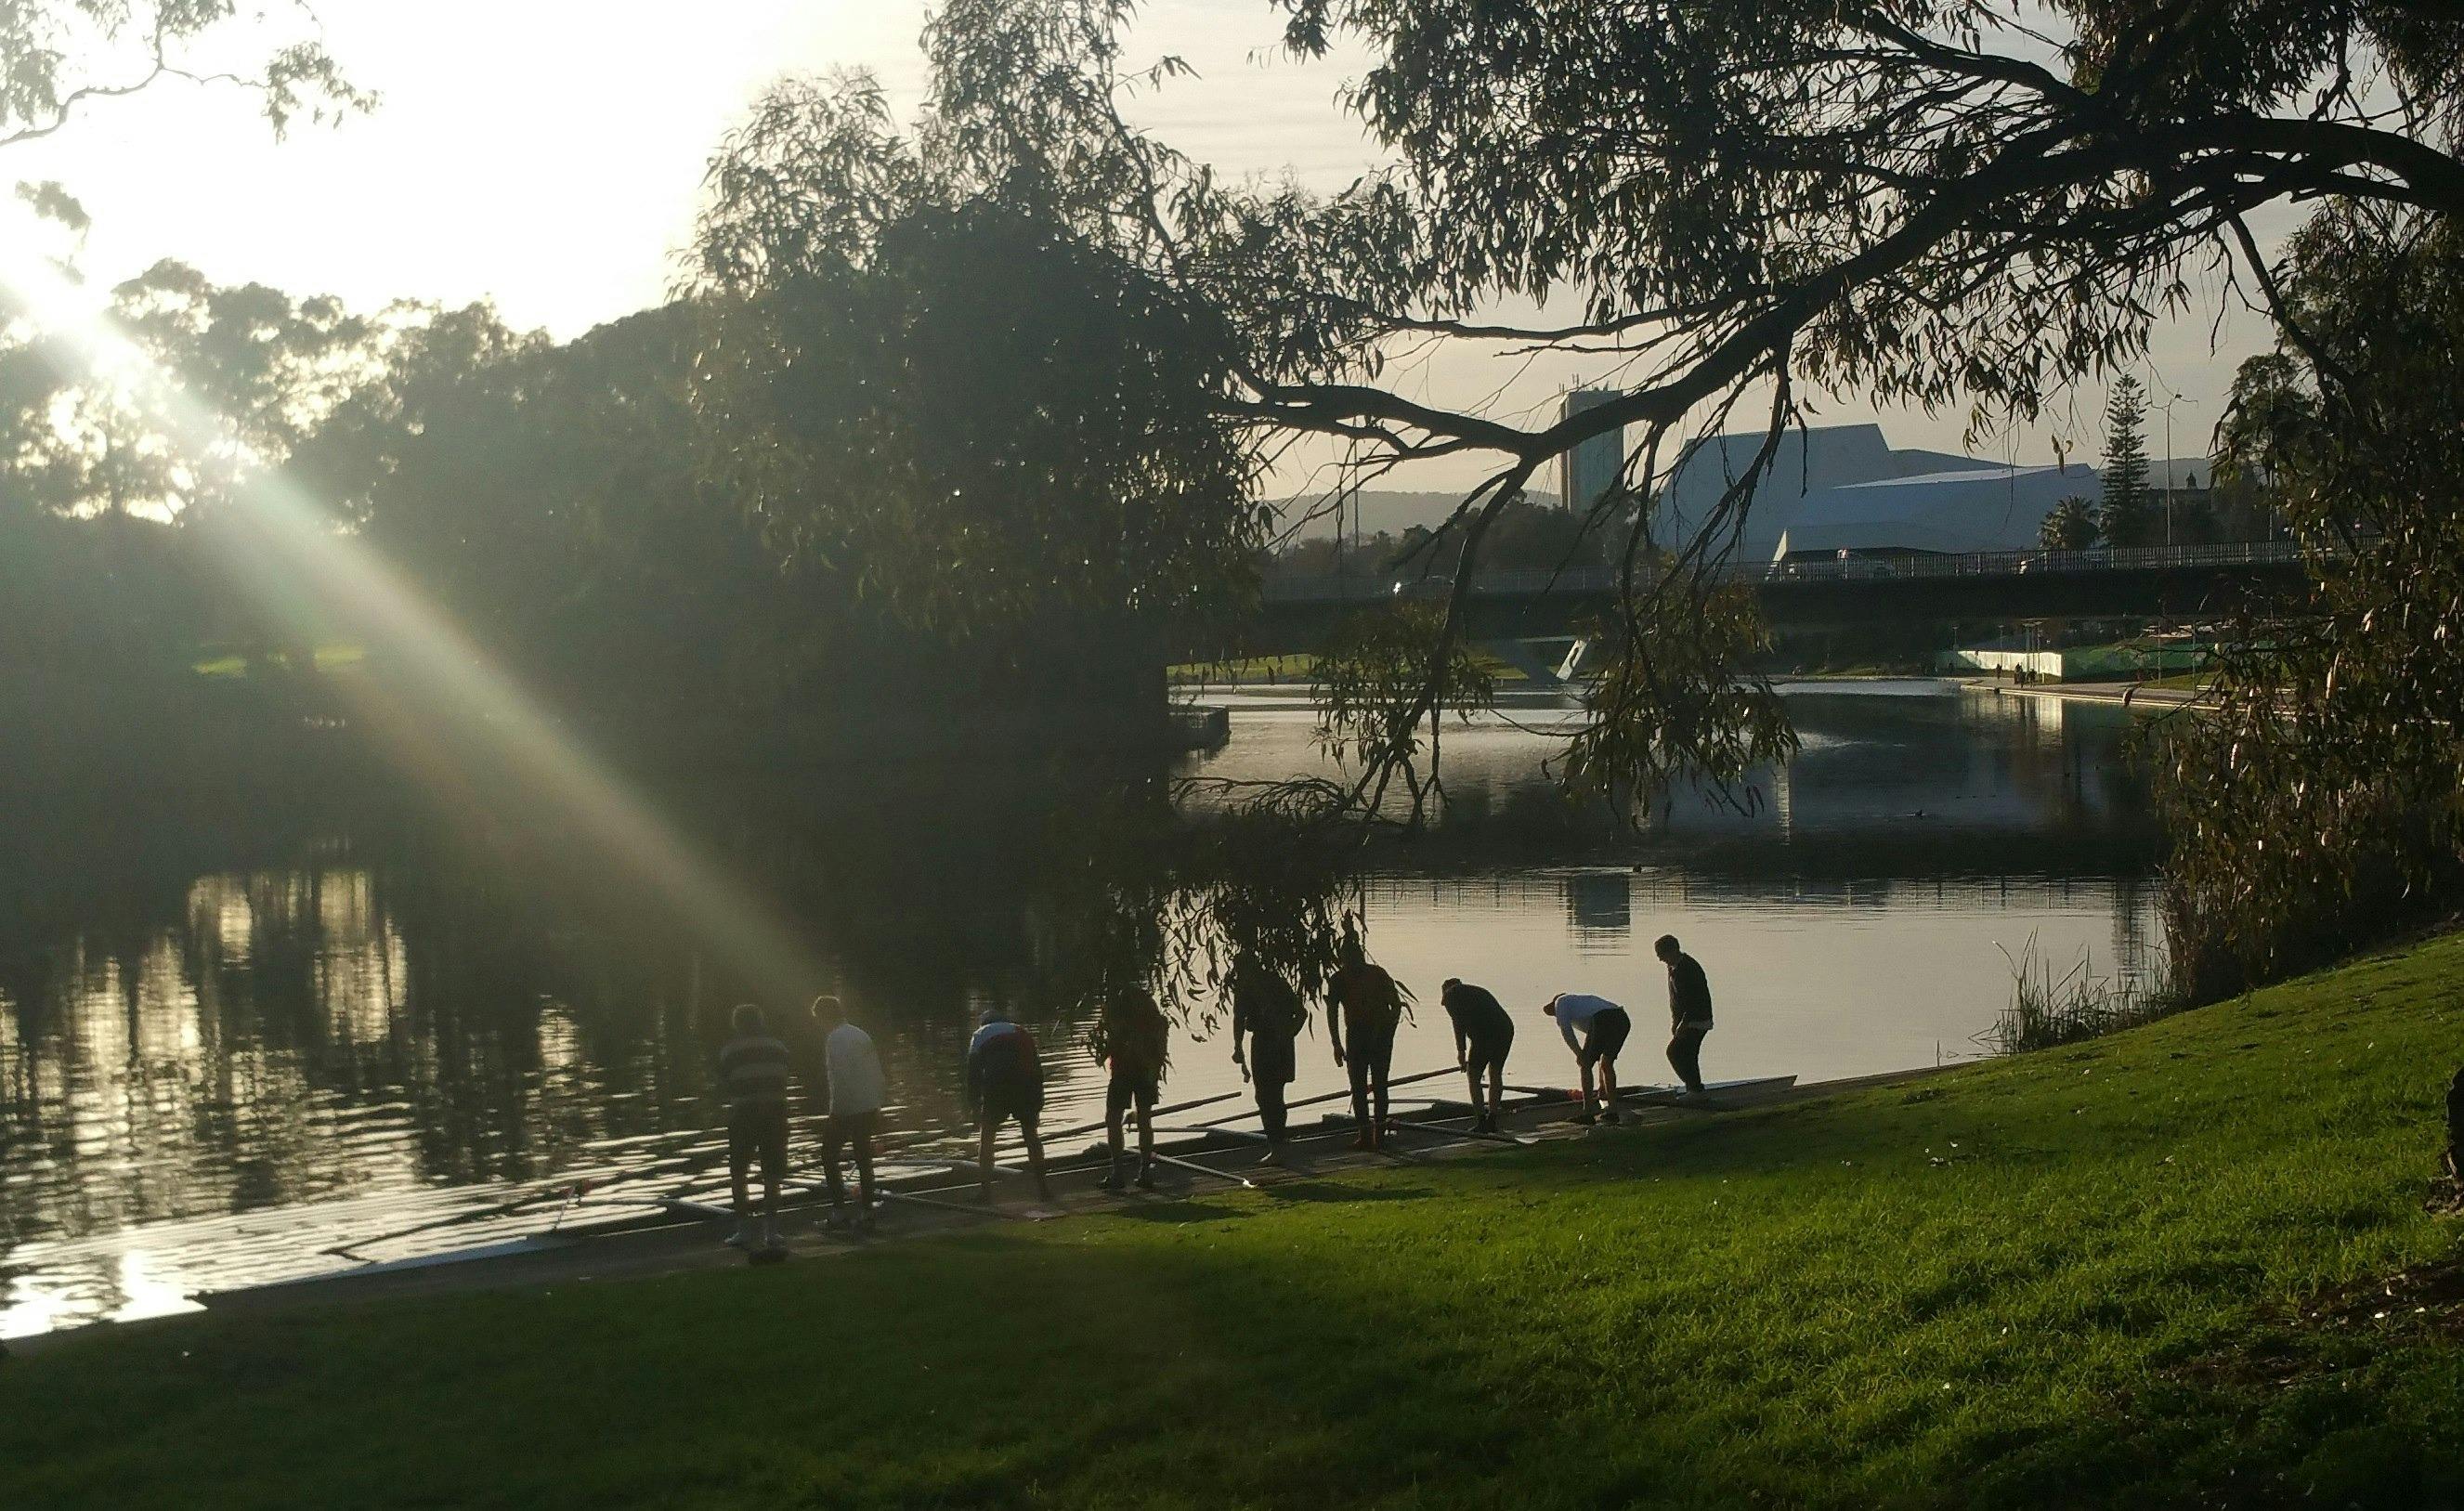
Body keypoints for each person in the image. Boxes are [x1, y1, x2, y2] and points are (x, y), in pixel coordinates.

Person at [717, 1002, 793, 1252]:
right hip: (775, 1113)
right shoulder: (779, 1048)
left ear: (738, 1024)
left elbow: (725, 1081)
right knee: (772, 1173)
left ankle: (743, 1229)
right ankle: (771, 1231)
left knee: (739, 1173)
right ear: (761, 1022)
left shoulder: (730, 1051)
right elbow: (784, 1076)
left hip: (744, 1115)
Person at [1327, 918, 1407, 1151]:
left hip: (1379, 1033)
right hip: (1357, 1034)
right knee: (1359, 1086)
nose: (1349, 963)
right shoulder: (1339, 980)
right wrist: (1336, 1043)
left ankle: (1378, 1133)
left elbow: (1395, 1004)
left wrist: (1388, 1028)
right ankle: (1365, 1134)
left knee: (1379, 1084)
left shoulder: (1377, 975)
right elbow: (1332, 1012)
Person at [965, 1006, 1054, 1202]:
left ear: (984, 1023)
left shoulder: (979, 1034)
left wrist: (974, 1108)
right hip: (1026, 1086)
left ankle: (986, 1193)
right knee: (1031, 1136)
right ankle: (1043, 1189)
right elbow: (1037, 1069)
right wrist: (1038, 1102)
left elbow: (973, 1074)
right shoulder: (1022, 1032)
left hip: (997, 1086)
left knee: (987, 1139)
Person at [812, 994, 886, 1229]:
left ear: (824, 1017)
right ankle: (866, 1210)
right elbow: (876, 1072)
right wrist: (877, 1104)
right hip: (868, 1105)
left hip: (848, 1108)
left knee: (828, 1155)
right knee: (864, 1159)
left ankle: (838, 1210)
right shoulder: (861, 1034)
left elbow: (839, 1079)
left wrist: (836, 1111)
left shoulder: (834, 1039)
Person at [1231, 957, 1305, 1162]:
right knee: (1276, 1095)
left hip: (1265, 1044)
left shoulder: (1247, 988)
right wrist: (1289, 1034)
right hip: (1282, 1044)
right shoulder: (1277, 982)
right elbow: (1301, 1013)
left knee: (1265, 1096)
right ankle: (1279, 1141)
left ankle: (1276, 1145)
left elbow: (1239, 1018)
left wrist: (1238, 1046)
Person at [1097, 988, 1170, 1191]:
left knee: (1114, 1118)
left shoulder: (1121, 1013)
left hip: (1125, 1071)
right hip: (1144, 1070)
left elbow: (1113, 1042)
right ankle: (1143, 1171)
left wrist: (1103, 1054)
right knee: (1144, 1118)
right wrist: (1154, 1068)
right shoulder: (1151, 1015)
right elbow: (1161, 1044)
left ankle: (1120, 1172)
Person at [1542, 991, 1632, 1125]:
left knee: (1585, 1065)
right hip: (1622, 1019)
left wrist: (1579, 1054)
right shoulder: (1583, 1008)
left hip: (1605, 1018)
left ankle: (1587, 1113)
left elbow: (1566, 1032)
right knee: (1606, 1063)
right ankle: (1612, 1111)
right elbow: (1599, 1046)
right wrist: (1602, 1084)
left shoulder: (1560, 1003)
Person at [1440, 978, 1515, 1132]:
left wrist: (1461, 1052)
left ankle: (1481, 1121)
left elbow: (1458, 1023)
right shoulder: (1476, 991)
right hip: (1505, 1030)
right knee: (1495, 1073)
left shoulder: (1451, 995)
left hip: (1487, 1034)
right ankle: (1492, 1120)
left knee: (1473, 1076)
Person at [1656, 933, 1714, 1095]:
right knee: (1688, 1055)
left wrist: (1684, 1022)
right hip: (1686, 1020)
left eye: (1662, 955)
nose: (1661, 960)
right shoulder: (1673, 968)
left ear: (1673, 951)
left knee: (1675, 1052)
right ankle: (1694, 1088)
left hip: (1697, 1019)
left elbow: (1693, 999)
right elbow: (1676, 1000)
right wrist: (1675, 1021)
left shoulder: (1688, 968)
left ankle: (1695, 1089)